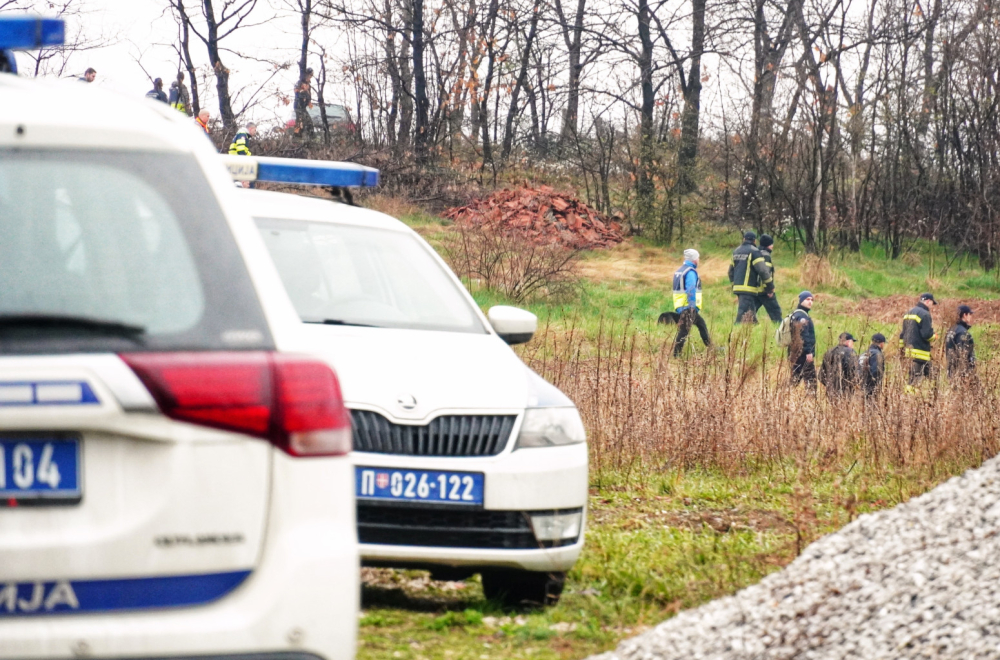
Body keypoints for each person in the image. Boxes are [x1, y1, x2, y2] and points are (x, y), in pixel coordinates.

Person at [671, 249, 712, 357]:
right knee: (684, 331)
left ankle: (711, 347)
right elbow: (690, 288)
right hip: (688, 306)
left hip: (680, 305)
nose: (699, 260)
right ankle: (675, 354)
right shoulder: (690, 272)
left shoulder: (680, 270)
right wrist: (692, 306)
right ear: (694, 259)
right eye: (698, 258)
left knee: (701, 325)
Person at [728, 231, 773, 324]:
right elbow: (763, 270)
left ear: (744, 239)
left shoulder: (736, 251)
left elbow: (730, 272)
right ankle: (736, 331)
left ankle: (754, 331)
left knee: (751, 316)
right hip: (749, 288)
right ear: (754, 241)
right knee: (741, 317)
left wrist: (734, 285)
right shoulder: (755, 252)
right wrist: (770, 286)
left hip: (738, 288)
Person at [900, 293, 937, 388]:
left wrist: (902, 350)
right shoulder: (925, 314)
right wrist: (934, 337)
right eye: (932, 304)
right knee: (917, 381)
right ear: (928, 301)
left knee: (914, 379)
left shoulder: (908, 313)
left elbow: (902, 334)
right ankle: (912, 399)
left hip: (909, 353)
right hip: (921, 354)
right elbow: (927, 335)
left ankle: (913, 398)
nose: (932, 307)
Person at [789, 291, 816, 390]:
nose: (810, 302)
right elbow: (804, 335)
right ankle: (812, 401)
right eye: (807, 299)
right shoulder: (802, 316)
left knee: (795, 378)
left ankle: (784, 396)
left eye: (812, 300)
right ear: (801, 301)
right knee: (811, 380)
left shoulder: (796, 314)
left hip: (796, 352)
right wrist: (808, 352)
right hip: (803, 354)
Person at [819, 332, 859, 399]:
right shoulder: (850, 352)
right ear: (848, 342)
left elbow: (821, 374)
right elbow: (854, 371)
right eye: (852, 342)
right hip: (846, 391)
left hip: (831, 390)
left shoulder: (829, 352)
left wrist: (829, 385)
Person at [754, 234, 782, 322]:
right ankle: (780, 328)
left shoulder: (757, 254)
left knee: (750, 312)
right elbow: (764, 273)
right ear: (768, 245)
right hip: (764, 290)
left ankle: (746, 327)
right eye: (771, 244)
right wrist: (769, 289)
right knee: (775, 311)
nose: (772, 246)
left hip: (755, 289)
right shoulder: (765, 256)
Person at [946, 305, 976, 381]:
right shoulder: (962, 333)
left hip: (951, 370)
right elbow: (963, 354)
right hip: (961, 373)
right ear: (964, 315)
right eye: (970, 314)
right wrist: (965, 373)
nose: (971, 317)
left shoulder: (952, 330)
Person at [860, 333, 886, 397]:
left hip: (862, 384)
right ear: (881, 343)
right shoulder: (877, 354)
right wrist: (876, 385)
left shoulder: (865, 352)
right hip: (871, 387)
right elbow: (876, 371)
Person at [294, 68, 314, 140]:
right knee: (300, 123)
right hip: (299, 106)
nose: (310, 77)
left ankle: (310, 139)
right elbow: (296, 91)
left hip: (304, 107)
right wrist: (304, 91)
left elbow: (309, 96)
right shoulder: (300, 83)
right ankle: (297, 139)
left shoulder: (308, 85)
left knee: (309, 124)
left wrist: (309, 101)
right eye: (310, 75)